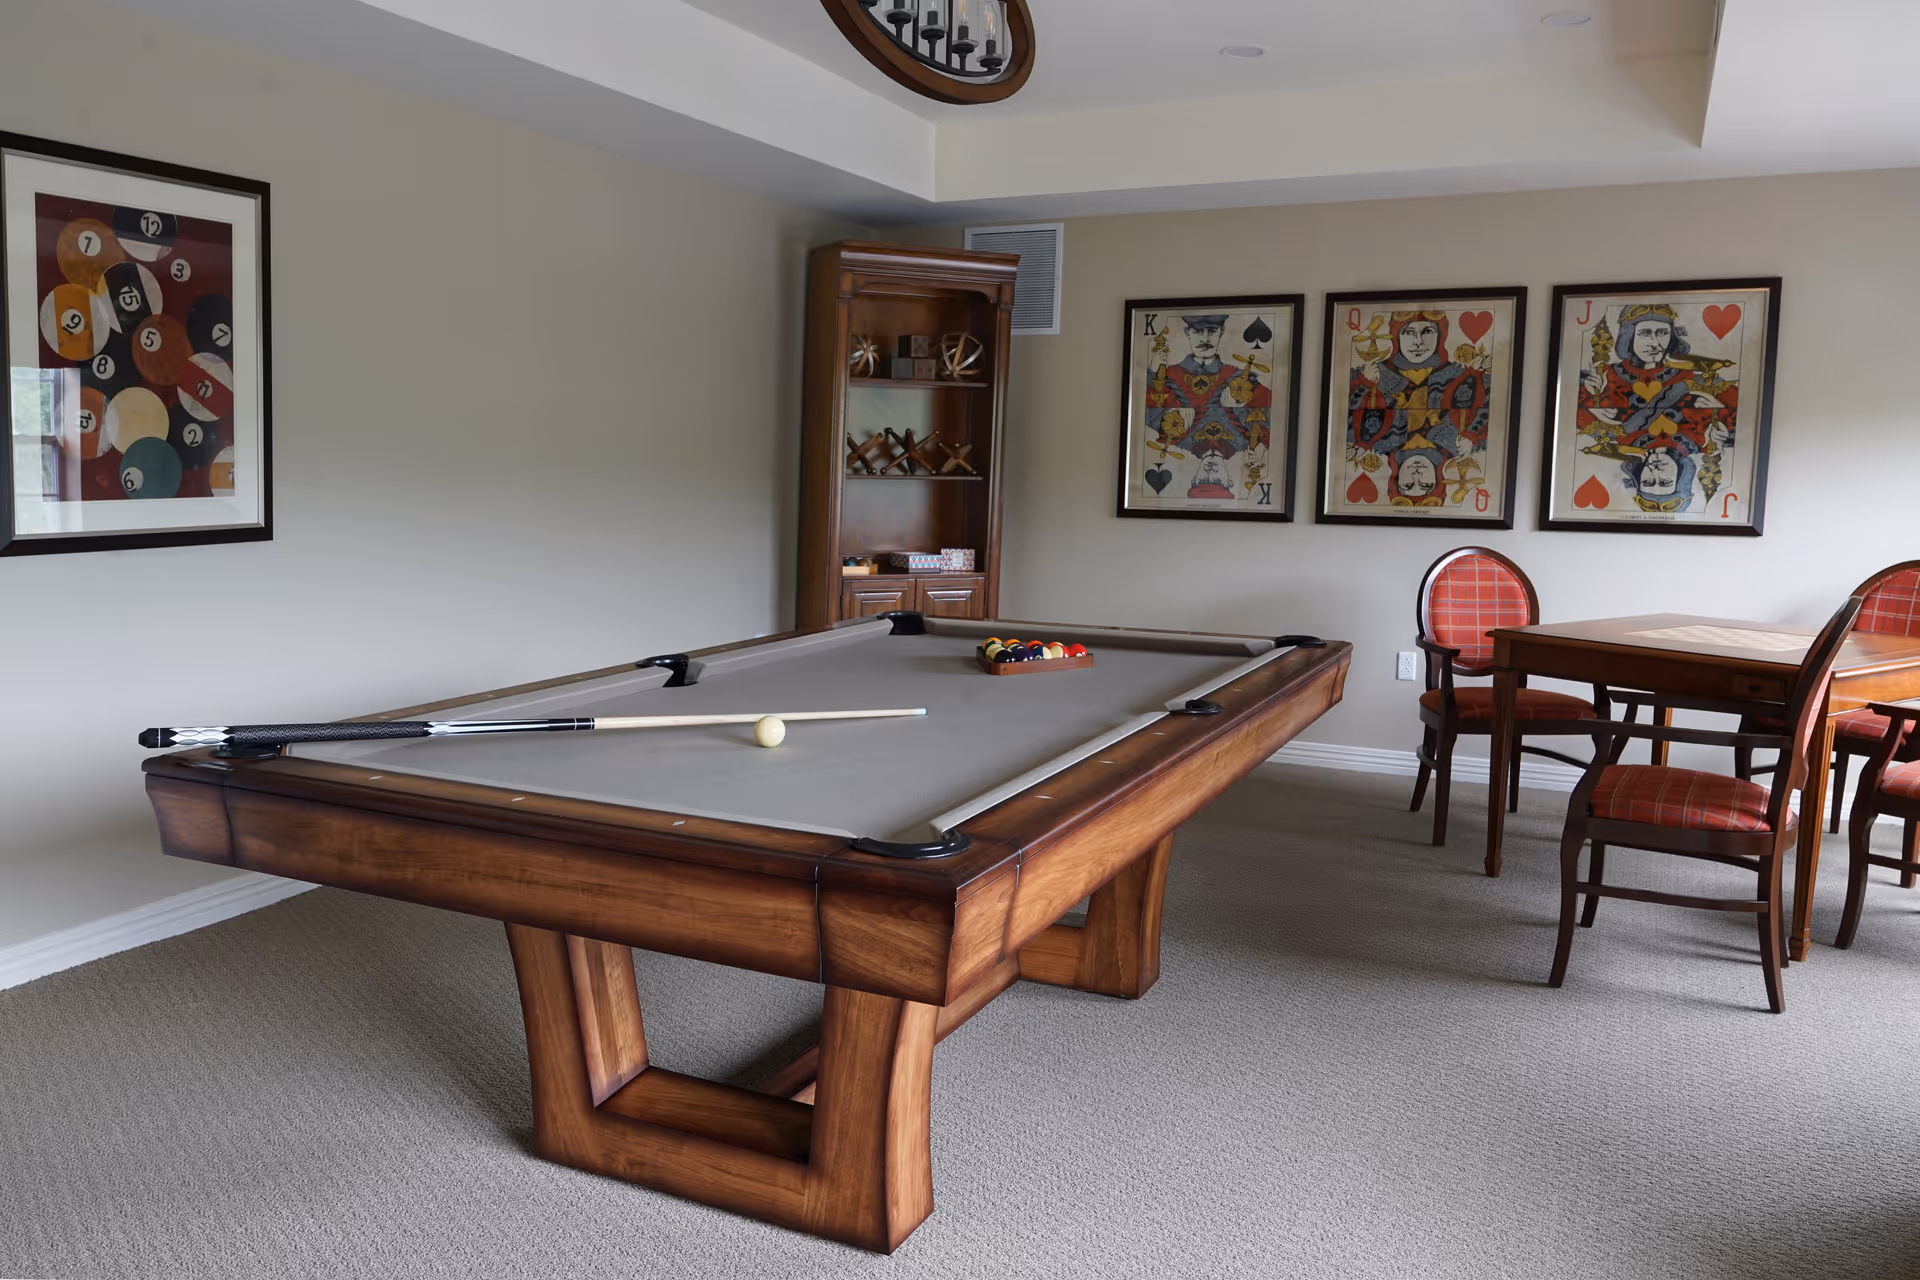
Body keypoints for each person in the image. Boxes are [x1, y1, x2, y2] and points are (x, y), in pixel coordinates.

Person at [1144, 313, 1270, 501]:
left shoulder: (1176, 440)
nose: (1205, 339)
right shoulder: (1247, 443)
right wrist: (1239, 409)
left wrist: (1152, 377)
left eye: (1211, 331)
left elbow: (1143, 413)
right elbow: (1275, 417)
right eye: (1197, 331)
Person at [1348, 310, 1488, 464]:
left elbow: (1489, 414)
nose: (1418, 342)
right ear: (1396, 336)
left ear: (1441, 336)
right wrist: (1365, 385)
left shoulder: (1461, 374)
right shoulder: (1370, 374)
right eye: (1409, 332)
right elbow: (1343, 418)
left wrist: (1471, 437)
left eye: (1428, 332)